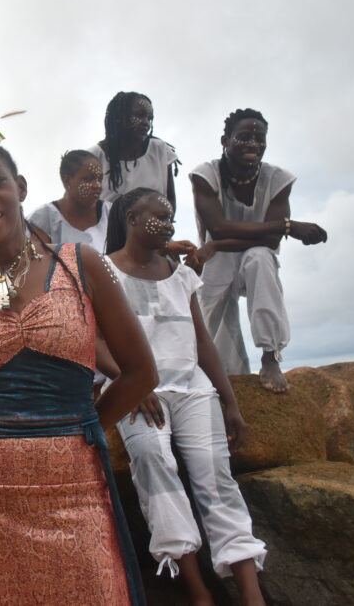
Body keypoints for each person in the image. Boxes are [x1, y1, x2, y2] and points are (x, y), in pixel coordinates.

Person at [0, 127, 159, 604]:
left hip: (76, 487)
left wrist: (87, 427)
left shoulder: (80, 265)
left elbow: (140, 372)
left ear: (22, 188)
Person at [104, 187, 268, 605]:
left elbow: (202, 340)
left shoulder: (179, 274)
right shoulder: (105, 273)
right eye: (158, 216)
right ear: (132, 220)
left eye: (171, 216)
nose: (170, 224)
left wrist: (229, 401)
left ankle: (251, 592)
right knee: (154, 462)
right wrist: (128, 382)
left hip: (192, 388)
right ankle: (197, 590)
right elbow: (93, 337)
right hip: (139, 391)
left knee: (215, 471)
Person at [187, 108, 327, 392]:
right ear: (225, 140)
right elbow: (219, 225)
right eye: (244, 137)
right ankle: (230, 379)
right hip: (217, 260)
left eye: (259, 138)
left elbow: (272, 242)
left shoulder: (278, 180)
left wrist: (216, 244)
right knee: (213, 322)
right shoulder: (206, 175)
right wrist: (289, 226)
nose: (253, 143)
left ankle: (270, 355)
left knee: (261, 259)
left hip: (240, 252)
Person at [89, 91, 178, 209]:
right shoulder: (93, 157)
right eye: (140, 115)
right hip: (106, 227)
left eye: (149, 118)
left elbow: (170, 200)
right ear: (119, 117)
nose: (146, 123)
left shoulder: (159, 149)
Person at [27, 149, 112, 251]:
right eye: (88, 179)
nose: (97, 186)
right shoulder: (43, 218)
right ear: (67, 181)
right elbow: (38, 261)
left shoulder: (111, 213)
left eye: (100, 179)